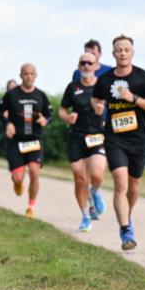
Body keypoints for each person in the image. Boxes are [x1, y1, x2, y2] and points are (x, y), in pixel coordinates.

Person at [92, 35, 145, 251]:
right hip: (114, 140)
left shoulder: (142, 78)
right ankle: (125, 230)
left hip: (139, 141)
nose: (122, 53)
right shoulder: (104, 80)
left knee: (133, 187)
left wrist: (134, 99)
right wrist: (97, 107)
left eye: (126, 49)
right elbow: (96, 98)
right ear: (113, 54)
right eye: (118, 50)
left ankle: (127, 216)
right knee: (120, 183)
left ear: (132, 52)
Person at [60, 53, 109, 232]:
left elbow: (116, 110)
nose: (86, 66)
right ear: (79, 66)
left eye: (90, 63)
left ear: (97, 66)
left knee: (97, 175)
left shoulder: (103, 87)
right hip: (77, 137)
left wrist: (102, 111)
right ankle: (85, 216)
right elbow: (62, 110)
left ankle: (95, 192)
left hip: (97, 136)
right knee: (79, 177)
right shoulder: (72, 87)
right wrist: (68, 117)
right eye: (83, 63)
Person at [2, 63, 51, 217]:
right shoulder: (12, 95)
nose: (29, 76)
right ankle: (17, 182)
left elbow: (49, 114)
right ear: (21, 75)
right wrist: (7, 123)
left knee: (34, 171)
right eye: (26, 74)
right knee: (18, 178)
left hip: (35, 139)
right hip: (16, 140)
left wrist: (45, 120)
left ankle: (31, 207)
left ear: (35, 76)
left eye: (32, 74)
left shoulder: (41, 95)